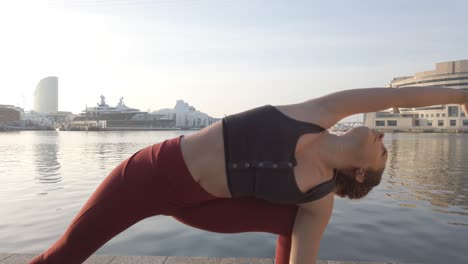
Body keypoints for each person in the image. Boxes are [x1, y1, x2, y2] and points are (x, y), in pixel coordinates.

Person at [30, 86, 468, 264]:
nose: (381, 138)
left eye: (383, 153)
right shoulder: (317, 114)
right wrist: (460, 93)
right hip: (150, 175)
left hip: (200, 208)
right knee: (67, 253)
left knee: (292, 224)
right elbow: (395, 95)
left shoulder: (319, 199)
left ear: (359, 173)